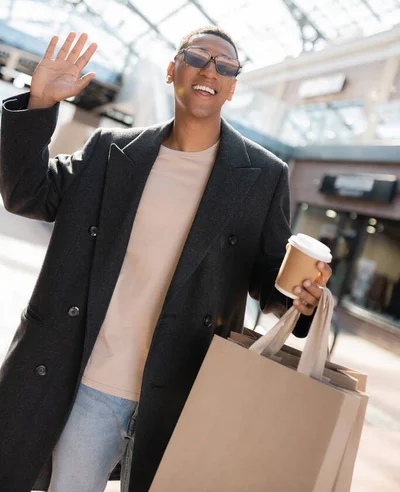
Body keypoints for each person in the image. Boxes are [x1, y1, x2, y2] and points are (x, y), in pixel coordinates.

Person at [0, 27, 332, 492]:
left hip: (185, 391)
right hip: (94, 384)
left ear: (233, 86)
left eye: (226, 65)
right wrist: (39, 105)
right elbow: (27, 194)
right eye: (197, 57)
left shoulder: (263, 177)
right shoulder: (110, 152)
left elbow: (269, 280)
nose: (210, 70)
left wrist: (304, 300)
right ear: (172, 69)